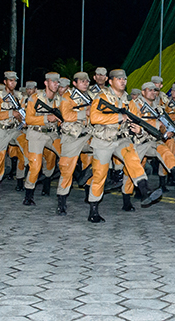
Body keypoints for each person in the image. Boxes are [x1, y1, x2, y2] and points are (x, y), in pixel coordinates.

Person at [87, 69, 156, 222]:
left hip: (121, 139)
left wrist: (138, 130)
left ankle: (144, 189)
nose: (123, 81)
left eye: (124, 78)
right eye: (119, 79)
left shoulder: (128, 100)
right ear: (110, 81)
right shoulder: (102, 97)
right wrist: (119, 117)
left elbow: (135, 118)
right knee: (99, 175)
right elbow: (94, 117)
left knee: (132, 158)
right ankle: (93, 210)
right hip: (103, 140)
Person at [56, 72, 94, 215]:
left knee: (105, 149)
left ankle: (85, 175)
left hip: (88, 135)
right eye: (82, 81)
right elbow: (66, 116)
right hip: (72, 137)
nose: (85, 83)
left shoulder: (91, 96)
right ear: (75, 83)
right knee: (66, 170)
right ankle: (61, 202)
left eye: (87, 81)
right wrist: (86, 113)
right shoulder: (67, 96)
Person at [22, 72, 62, 205]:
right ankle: (28, 195)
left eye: (57, 82)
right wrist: (46, 118)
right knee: (35, 165)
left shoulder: (59, 99)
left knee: (66, 155)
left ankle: (50, 188)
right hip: (36, 134)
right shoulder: (34, 98)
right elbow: (28, 119)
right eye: (53, 82)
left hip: (52, 134)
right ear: (46, 83)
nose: (56, 84)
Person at [0, 71, 26, 200]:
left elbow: (22, 113)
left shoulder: (19, 96)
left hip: (14, 129)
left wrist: (23, 119)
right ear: (5, 82)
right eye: (10, 81)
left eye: (15, 81)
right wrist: (11, 113)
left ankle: (23, 180)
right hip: (1, 130)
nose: (13, 83)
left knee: (26, 147)